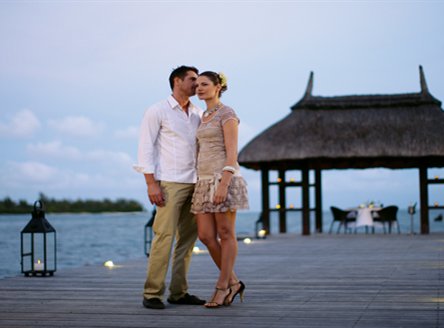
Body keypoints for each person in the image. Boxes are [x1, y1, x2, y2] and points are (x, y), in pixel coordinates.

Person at [134, 65, 206, 310]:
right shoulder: (157, 110)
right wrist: (150, 183)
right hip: (170, 183)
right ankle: (152, 293)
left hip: (196, 183)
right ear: (177, 81)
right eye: (192, 79)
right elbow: (145, 148)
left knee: (187, 241)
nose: (197, 84)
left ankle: (179, 292)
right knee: (164, 237)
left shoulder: (198, 112)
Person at [191, 71, 249, 308]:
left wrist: (224, 183)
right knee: (205, 235)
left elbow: (232, 153)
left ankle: (222, 285)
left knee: (226, 233)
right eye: (196, 85)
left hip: (223, 178)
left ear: (218, 87)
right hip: (203, 181)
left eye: (204, 84)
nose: (199, 88)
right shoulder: (203, 115)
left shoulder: (227, 114)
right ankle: (234, 282)